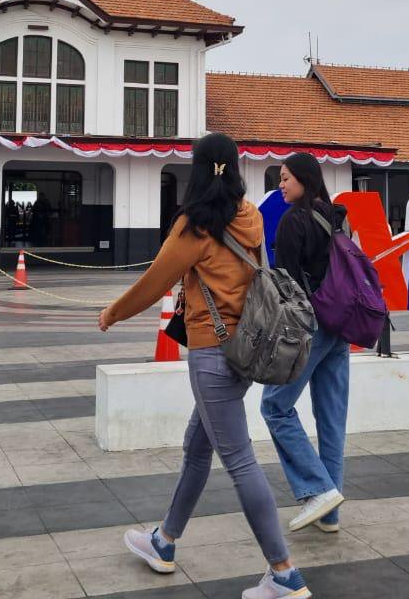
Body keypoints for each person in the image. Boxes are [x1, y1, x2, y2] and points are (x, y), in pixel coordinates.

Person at [99, 133, 311, 599]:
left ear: (197, 171)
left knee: (239, 460)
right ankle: (164, 540)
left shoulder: (194, 226)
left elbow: (154, 282)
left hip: (212, 354)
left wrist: (113, 312)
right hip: (246, 351)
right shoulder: (250, 216)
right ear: (234, 168)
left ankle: (283, 573)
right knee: (197, 447)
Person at [260, 153, 349, 534]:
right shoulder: (337, 216)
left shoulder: (293, 220)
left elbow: (287, 286)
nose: (280, 185)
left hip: (311, 327)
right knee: (331, 421)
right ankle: (329, 515)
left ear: (304, 179)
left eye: (285, 178)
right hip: (341, 325)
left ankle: (318, 490)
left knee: (274, 407)